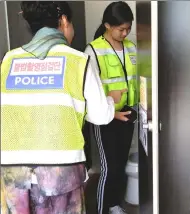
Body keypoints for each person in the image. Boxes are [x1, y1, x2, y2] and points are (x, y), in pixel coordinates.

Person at [0, 1, 126, 213]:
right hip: (61, 170)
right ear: (64, 21)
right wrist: (110, 99)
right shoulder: (78, 60)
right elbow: (102, 115)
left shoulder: (8, 60)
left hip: (13, 170)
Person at [84, 2, 137, 214]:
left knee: (121, 163)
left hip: (127, 115)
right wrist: (111, 112)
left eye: (128, 28)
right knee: (109, 168)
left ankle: (114, 204)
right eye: (120, 29)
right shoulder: (94, 50)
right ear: (107, 25)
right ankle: (99, 209)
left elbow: (136, 81)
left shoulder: (132, 48)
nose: (125, 33)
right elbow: (88, 92)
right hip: (106, 118)